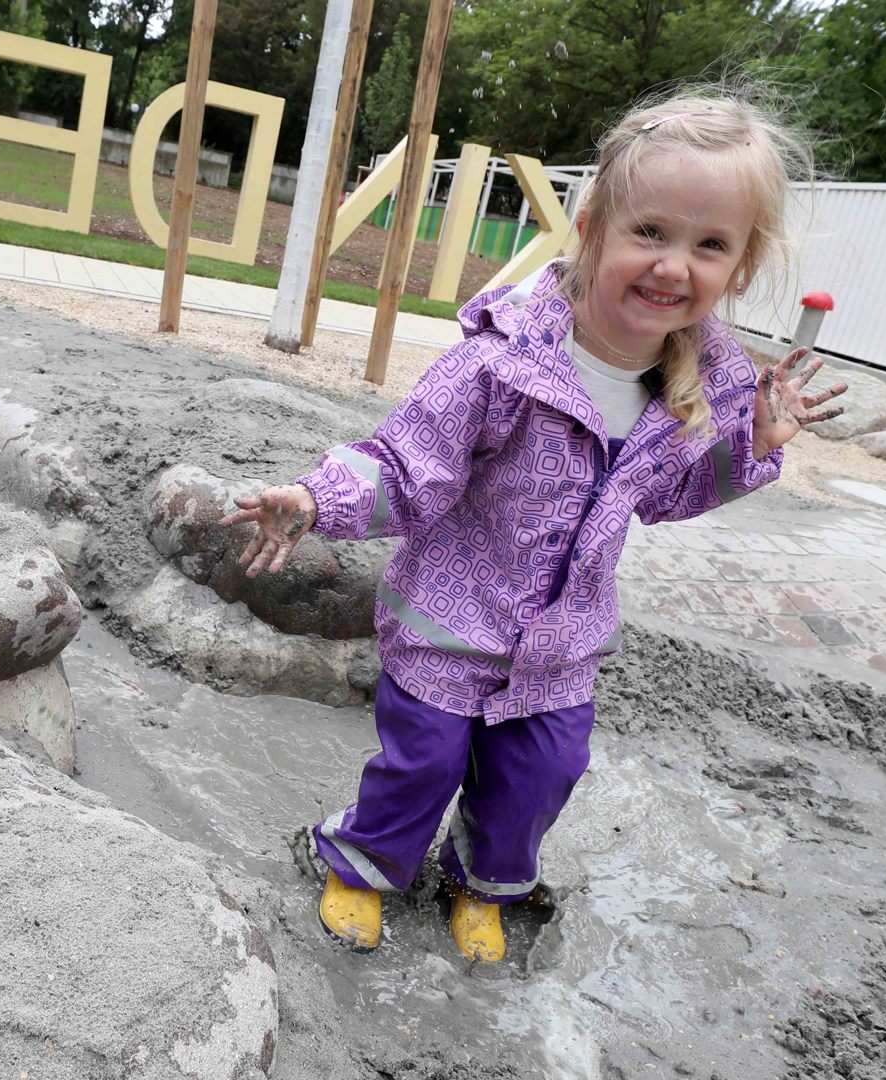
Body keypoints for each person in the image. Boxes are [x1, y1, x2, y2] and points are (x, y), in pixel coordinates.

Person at [220, 88, 847, 962]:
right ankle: (363, 864)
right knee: (425, 762)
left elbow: (663, 498)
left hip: (561, 642)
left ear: (739, 267)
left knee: (541, 774)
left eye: (710, 245)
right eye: (651, 232)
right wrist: (318, 499)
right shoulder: (500, 363)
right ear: (591, 228)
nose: (674, 266)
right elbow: (407, 462)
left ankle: (482, 883)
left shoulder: (701, 388)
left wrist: (751, 451)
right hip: (450, 617)